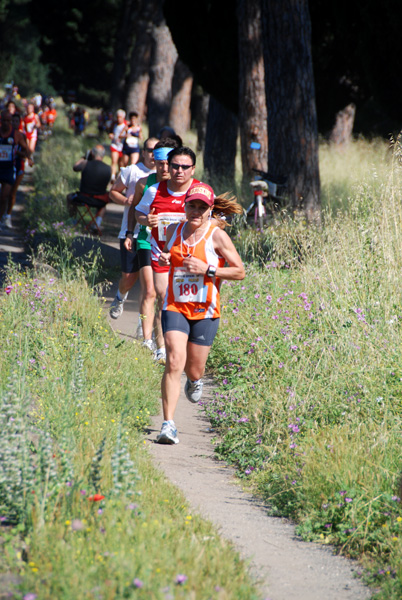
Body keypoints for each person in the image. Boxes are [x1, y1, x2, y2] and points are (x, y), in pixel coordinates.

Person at [155, 184, 245, 444]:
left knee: (194, 369)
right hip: (175, 305)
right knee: (173, 362)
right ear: (185, 206)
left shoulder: (217, 237)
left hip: (206, 310)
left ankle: (195, 381)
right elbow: (169, 257)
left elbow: (239, 271)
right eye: (192, 206)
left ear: (210, 211)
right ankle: (168, 424)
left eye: (202, 207)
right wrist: (165, 259)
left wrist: (209, 269)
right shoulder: (173, 230)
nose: (196, 211)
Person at [135, 147, 199, 364]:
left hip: (189, 256)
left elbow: (218, 219)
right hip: (160, 252)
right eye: (175, 166)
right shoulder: (154, 190)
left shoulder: (201, 191)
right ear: (168, 167)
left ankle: (187, 346)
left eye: (185, 167)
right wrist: (146, 221)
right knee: (164, 298)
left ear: (193, 169)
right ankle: (162, 348)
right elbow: (139, 212)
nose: (179, 171)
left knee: (187, 301)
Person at [124, 138, 180, 350]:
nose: (165, 168)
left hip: (173, 246)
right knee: (150, 291)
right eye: (160, 163)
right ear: (154, 162)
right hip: (147, 241)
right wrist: (131, 232)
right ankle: (148, 340)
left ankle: (160, 334)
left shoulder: (182, 186)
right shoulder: (144, 183)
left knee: (164, 294)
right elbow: (135, 209)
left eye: (169, 163)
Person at [108, 137, 158, 320]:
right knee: (129, 277)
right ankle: (120, 297)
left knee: (149, 285)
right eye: (150, 150)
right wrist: (126, 201)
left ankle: (142, 323)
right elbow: (113, 191)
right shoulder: (132, 171)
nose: (153, 154)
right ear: (143, 152)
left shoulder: (167, 176)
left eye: (157, 150)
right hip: (131, 231)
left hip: (153, 236)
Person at [66, 144, 111, 233]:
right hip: (99, 201)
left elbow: (75, 167)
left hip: (82, 198)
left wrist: (85, 157)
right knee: (104, 204)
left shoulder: (85, 163)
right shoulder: (109, 168)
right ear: (103, 155)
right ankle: (97, 224)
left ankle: (72, 221)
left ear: (92, 154)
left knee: (69, 197)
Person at [0, 109, 32, 226]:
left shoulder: (17, 135)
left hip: (9, 169)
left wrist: (26, 156)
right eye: (4, 120)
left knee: (5, 196)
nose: (7, 123)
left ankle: (4, 217)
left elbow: (26, 149)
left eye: (9, 120)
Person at [109, 109, 127, 181]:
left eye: (120, 117)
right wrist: (111, 135)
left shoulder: (126, 125)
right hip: (115, 145)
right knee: (114, 161)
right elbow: (110, 132)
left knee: (121, 163)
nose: (119, 119)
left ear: (123, 117)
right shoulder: (114, 124)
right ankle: (112, 176)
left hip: (123, 146)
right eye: (117, 117)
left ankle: (120, 177)